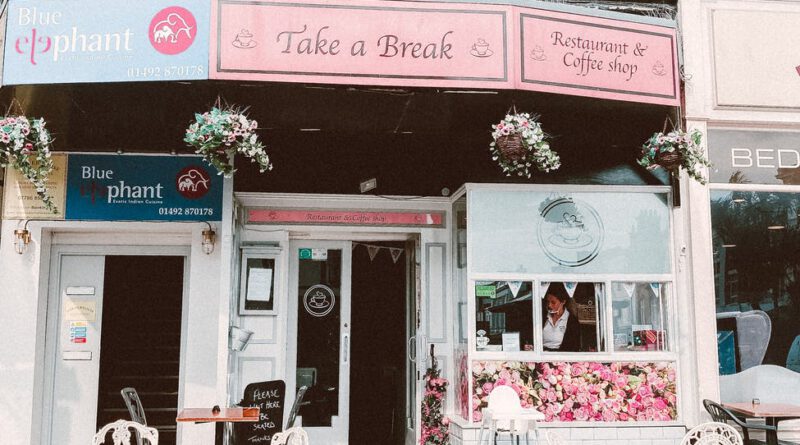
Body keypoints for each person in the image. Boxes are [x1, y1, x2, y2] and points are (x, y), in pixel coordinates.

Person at [542, 283, 580, 352]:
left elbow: (574, 347)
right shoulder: (542, 317)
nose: (549, 305)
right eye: (548, 302)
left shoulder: (571, 321)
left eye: (553, 302)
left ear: (563, 302)